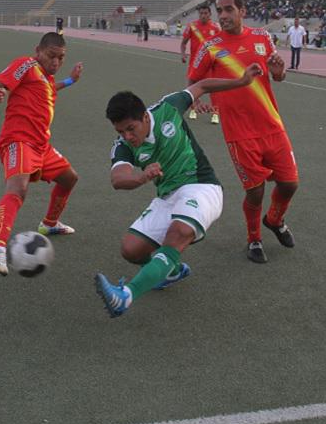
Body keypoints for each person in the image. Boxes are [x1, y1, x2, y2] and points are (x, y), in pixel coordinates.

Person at [94, 63, 263, 318]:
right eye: (121, 131)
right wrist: (141, 177)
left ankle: (126, 296)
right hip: (167, 197)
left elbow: (202, 85)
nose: (127, 136)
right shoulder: (123, 145)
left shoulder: (168, 107)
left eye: (131, 129)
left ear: (144, 117)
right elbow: (118, 178)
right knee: (131, 249)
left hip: (202, 186)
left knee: (179, 231)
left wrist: (241, 81)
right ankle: (170, 270)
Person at [190, 0, 298, 264]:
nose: (223, 16)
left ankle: (274, 220)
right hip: (239, 132)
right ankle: (254, 239)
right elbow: (194, 80)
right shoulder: (211, 46)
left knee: (289, 184)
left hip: (272, 124)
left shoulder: (262, 38)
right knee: (255, 190)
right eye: (219, 11)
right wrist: (197, 100)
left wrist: (278, 72)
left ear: (241, 10)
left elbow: (279, 74)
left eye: (228, 10)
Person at [0, 32, 84, 275]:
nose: (56, 62)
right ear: (38, 51)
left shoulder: (46, 79)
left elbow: (50, 88)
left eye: (61, 58)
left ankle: (48, 224)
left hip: (41, 145)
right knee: (18, 188)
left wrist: (70, 81)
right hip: (18, 141)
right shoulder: (26, 65)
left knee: (69, 178)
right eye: (51, 56)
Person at [180, 4, 221, 124]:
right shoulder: (191, 26)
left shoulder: (216, 27)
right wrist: (183, 54)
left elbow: (222, 45)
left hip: (211, 65)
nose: (203, 15)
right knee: (192, 89)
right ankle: (193, 109)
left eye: (205, 13)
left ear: (210, 14)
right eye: (201, 13)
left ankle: (215, 113)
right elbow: (183, 43)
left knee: (214, 90)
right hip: (194, 64)